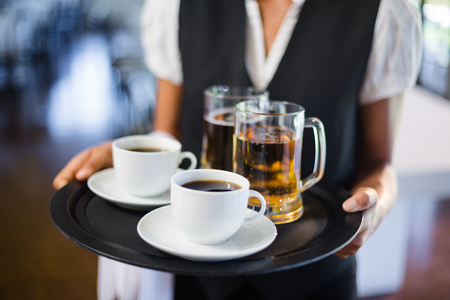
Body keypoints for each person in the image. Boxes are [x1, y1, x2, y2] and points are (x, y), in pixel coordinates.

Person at [53, 0, 422, 299]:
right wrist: (131, 157)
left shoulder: (386, 11)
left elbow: (379, 162)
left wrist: (375, 206)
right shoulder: (174, 6)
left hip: (316, 275)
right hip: (198, 273)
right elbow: (168, 132)